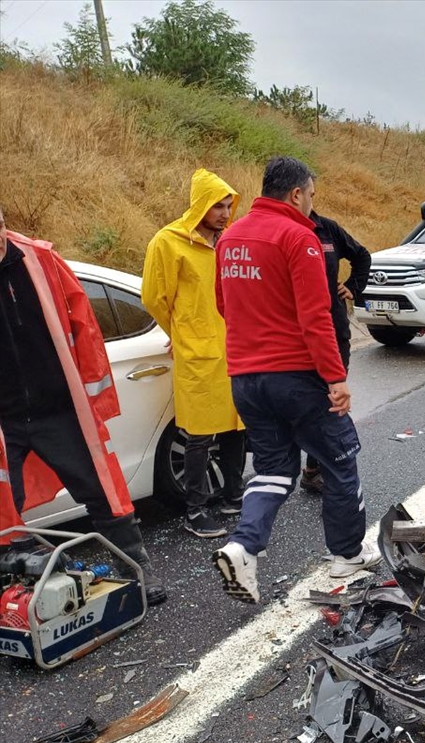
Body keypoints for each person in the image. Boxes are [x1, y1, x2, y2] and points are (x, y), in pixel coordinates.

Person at [212, 157, 379, 603]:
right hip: (298, 378)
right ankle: (346, 555)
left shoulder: (230, 238)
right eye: (311, 196)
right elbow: (316, 316)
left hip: (246, 379)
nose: (311, 206)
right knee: (340, 460)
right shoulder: (298, 237)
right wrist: (335, 378)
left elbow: (224, 305)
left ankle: (243, 546)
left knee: (272, 470)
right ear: (296, 194)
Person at [0, 206, 167, 604]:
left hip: (60, 411)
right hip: (4, 421)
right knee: (3, 513)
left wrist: (94, 403)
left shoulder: (40, 260)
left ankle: (137, 574)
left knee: (105, 496)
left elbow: (85, 328)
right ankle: (16, 603)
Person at [143, 169, 246, 538]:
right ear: (199, 204)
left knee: (236, 427)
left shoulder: (227, 242)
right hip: (198, 351)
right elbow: (154, 298)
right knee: (199, 433)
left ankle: (235, 495)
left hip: (233, 347)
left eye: (227, 205)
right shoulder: (169, 242)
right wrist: (181, 332)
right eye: (216, 205)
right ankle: (196, 511)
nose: (222, 212)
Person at [299, 210, 372, 494]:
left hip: (333, 328)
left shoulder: (326, 229)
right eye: (309, 192)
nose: (310, 199)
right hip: (297, 333)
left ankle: (315, 469)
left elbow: (362, 256)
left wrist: (353, 287)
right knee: (306, 400)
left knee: (329, 399)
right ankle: (291, 470)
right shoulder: (284, 230)